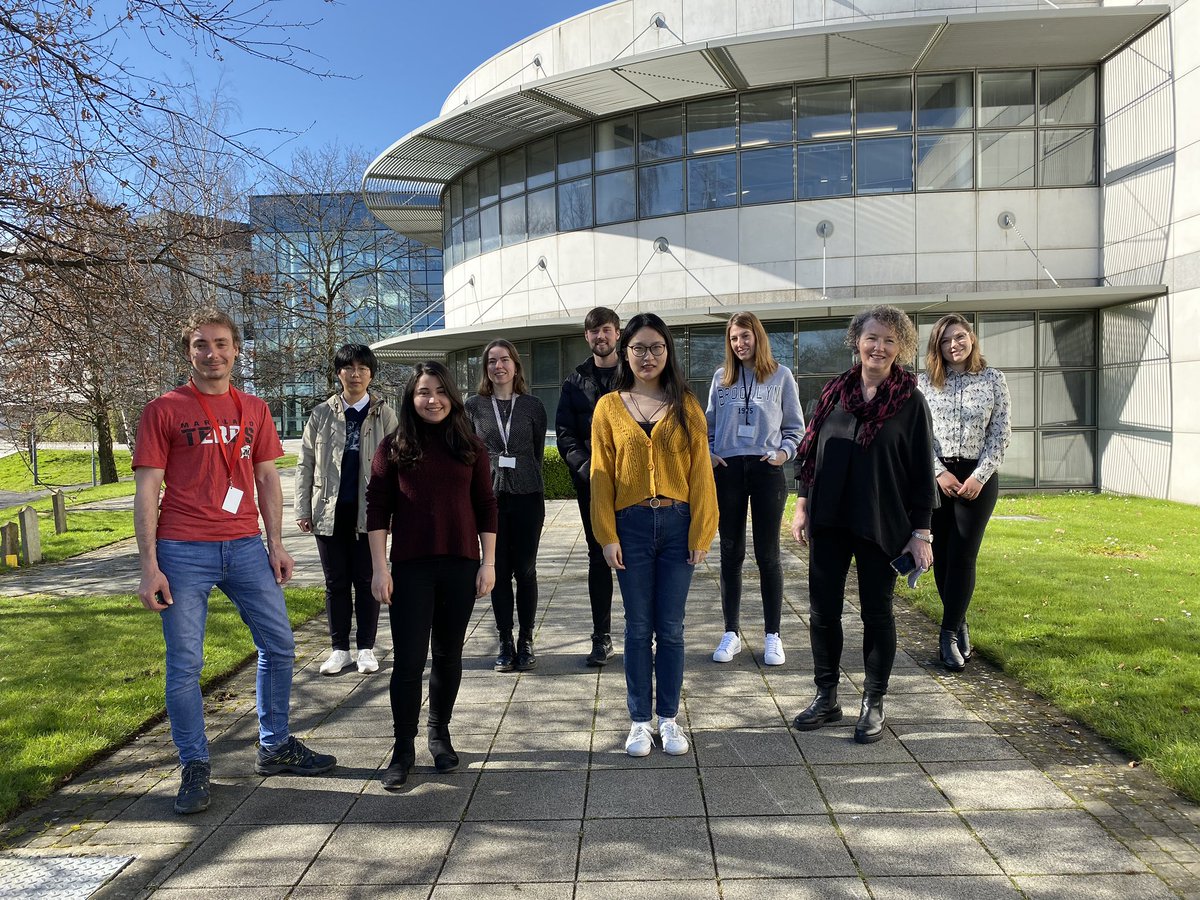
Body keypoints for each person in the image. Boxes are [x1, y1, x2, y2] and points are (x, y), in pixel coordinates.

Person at [134, 308, 336, 816]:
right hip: (183, 551)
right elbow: (147, 489)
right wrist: (149, 565)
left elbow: (267, 479)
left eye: (221, 343)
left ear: (236, 350)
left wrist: (277, 544)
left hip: (245, 544)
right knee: (186, 664)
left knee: (280, 643)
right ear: (189, 353)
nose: (212, 353)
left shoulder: (255, 409)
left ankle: (273, 745)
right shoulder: (164, 409)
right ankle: (195, 764)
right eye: (201, 344)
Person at [789, 305, 937, 744]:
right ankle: (827, 697)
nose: (880, 347)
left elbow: (920, 470)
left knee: (877, 613)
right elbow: (811, 456)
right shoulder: (833, 393)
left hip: (882, 521)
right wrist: (801, 506)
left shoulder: (911, 401)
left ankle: (874, 701)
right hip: (830, 519)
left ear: (902, 348)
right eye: (872, 337)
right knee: (822, 612)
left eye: (890, 340)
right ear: (857, 341)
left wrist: (921, 532)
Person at [591, 312, 718, 758]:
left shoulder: (686, 404)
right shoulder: (608, 407)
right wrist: (606, 534)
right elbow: (601, 476)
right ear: (625, 352)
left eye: (657, 348)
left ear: (668, 352)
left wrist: (703, 532)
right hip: (632, 527)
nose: (648, 357)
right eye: (639, 348)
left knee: (672, 628)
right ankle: (639, 721)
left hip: (679, 522)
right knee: (637, 626)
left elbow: (701, 472)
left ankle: (669, 717)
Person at [367, 361, 497, 789]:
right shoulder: (392, 447)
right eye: (424, 392)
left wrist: (488, 562)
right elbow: (377, 511)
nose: (433, 400)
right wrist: (379, 568)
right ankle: (402, 748)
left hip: (459, 565)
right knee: (407, 661)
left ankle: (439, 734)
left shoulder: (471, 447)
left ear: (452, 398)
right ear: (411, 397)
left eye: (441, 392)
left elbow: (486, 507)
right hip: (409, 569)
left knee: (448, 656)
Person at [706, 312, 805, 667]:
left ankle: (772, 635)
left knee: (768, 554)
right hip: (729, 470)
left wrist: (784, 453)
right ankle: (731, 632)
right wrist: (712, 454)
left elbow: (796, 426)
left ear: (757, 337)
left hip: (766, 469)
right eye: (733, 339)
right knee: (730, 554)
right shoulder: (722, 378)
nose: (739, 344)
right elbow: (709, 424)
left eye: (745, 337)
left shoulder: (781, 376)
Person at [295, 344, 398, 677]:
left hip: (371, 514)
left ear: (371, 374)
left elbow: (399, 464)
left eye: (363, 369)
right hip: (329, 512)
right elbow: (305, 463)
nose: (356, 374)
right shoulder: (322, 414)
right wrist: (302, 507)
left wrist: (396, 511)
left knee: (368, 580)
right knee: (335, 583)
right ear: (338, 373)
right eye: (348, 368)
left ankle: (366, 649)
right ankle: (339, 649)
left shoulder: (385, 413)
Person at [917, 314, 1011, 671]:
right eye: (945, 340)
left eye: (959, 337)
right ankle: (960, 622)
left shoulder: (993, 379)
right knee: (941, 553)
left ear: (971, 338)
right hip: (938, 479)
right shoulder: (924, 383)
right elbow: (919, 437)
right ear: (937, 347)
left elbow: (1000, 432)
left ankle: (947, 632)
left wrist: (980, 476)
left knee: (964, 555)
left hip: (977, 479)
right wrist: (938, 472)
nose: (953, 345)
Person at [466, 339, 547, 672]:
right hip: (490, 500)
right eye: (491, 361)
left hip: (528, 497)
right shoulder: (473, 406)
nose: (498, 366)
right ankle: (504, 640)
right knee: (496, 570)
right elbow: (470, 451)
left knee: (525, 571)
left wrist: (520, 471)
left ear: (515, 365)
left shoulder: (532, 406)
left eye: (504, 360)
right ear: (486, 369)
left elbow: (537, 450)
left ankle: (526, 640)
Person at [556, 306, 621, 667]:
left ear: (617, 333)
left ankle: (645, 633)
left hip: (634, 484)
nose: (601, 337)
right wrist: (588, 469)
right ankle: (602, 637)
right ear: (587, 337)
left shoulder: (633, 375)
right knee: (599, 557)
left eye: (607, 330)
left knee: (637, 556)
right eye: (594, 332)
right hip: (592, 484)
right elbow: (565, 434)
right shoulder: (574, 381)